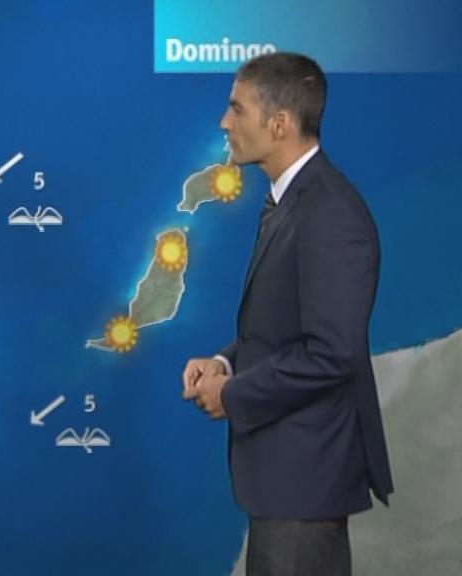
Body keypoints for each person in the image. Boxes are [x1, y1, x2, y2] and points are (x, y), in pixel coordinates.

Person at [181, 53, 394, 576]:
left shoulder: (329, 213)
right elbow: (283, 328)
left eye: (237, 109)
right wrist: (225, 363)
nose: (224, 123)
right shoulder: (293, 201)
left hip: (304, 484)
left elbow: (331, 353)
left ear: (279, 124)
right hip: (283, 482)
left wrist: (232, 395)